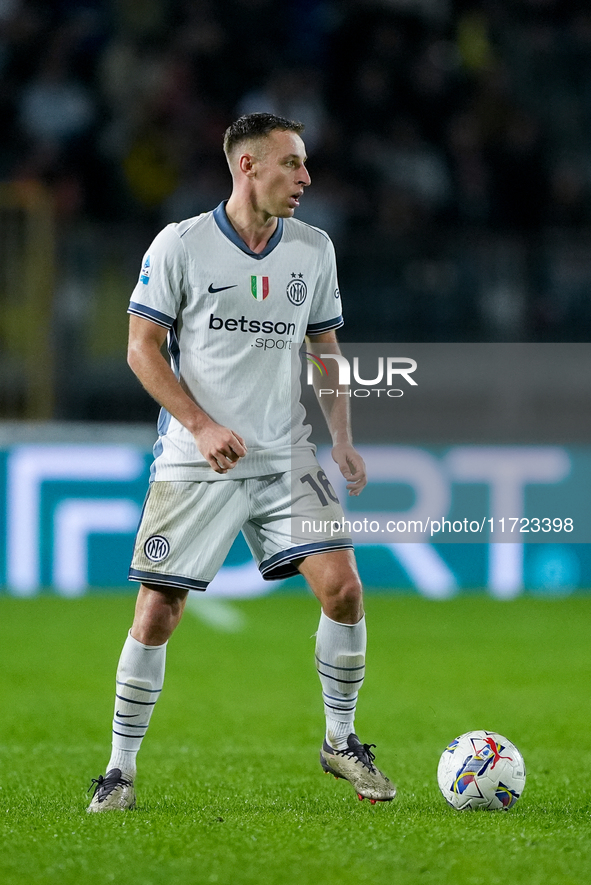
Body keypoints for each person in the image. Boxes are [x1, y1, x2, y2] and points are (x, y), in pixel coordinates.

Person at [87, 112, 395, 812]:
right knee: (159, 611)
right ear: (247, 166)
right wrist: (198, 424)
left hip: (286, 453)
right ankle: (119, 768)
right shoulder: (182, 244)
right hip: (198, 460)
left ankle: (340, 741)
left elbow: (324, 352)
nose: (306, 177)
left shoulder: (313, 249)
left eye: (306, 163)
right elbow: (141, 348)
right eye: (291, 163)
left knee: (343, 587)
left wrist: (340, 437)